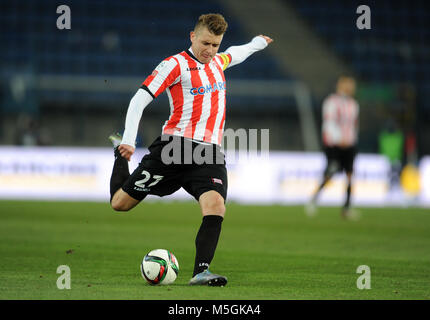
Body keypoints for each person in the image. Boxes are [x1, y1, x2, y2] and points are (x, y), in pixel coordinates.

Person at [108, 13, 273, 286]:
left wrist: (258, 42)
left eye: (215, 45)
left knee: (216, 205)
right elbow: (140, 99)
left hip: (208, 153)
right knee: (120, 204)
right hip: (173, 150)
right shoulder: (174, 65)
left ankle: (201, 272)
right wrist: (127, 139)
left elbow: (237, 53)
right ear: (192, 36)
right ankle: (117, 153)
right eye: (206, 43)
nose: (210, 51)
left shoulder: (219, 61)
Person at [306, 75, 359, 219]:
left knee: (349, 175)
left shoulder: (353, 104)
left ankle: (346, 208)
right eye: (348, 85)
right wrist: (337, 139)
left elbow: (353, 126)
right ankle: (313, 199)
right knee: (331, 172)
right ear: (341, 86)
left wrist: (351, 140)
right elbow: (329, 123)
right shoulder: (331, 102)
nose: (351, 88)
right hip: (334, 144)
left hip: (349, 145)